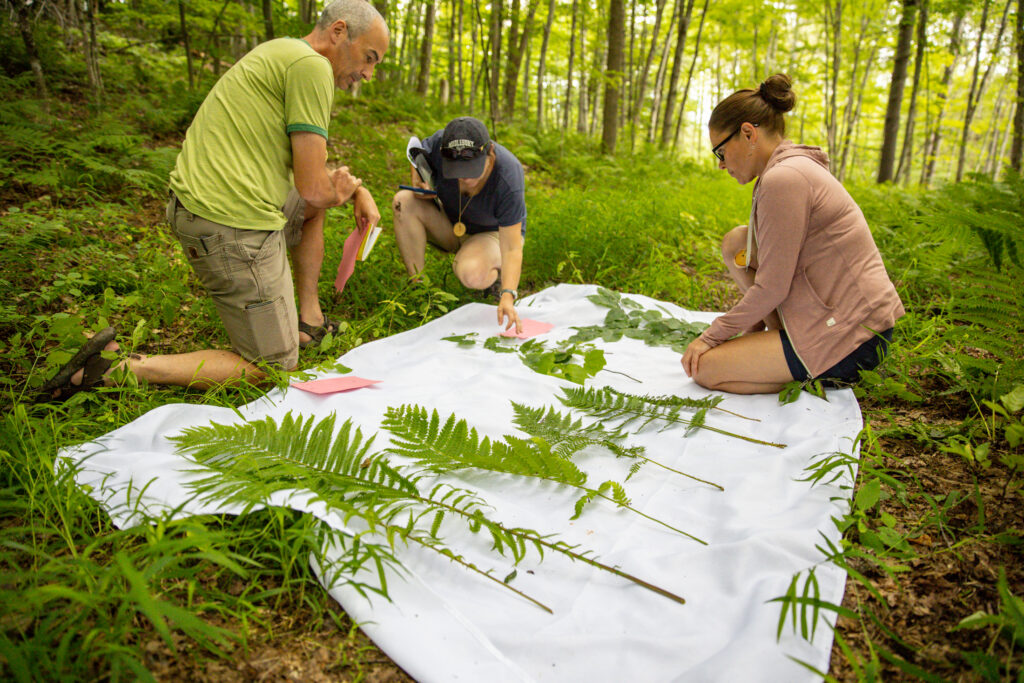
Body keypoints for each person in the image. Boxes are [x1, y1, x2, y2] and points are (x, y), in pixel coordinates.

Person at [40, 0, 390, 401]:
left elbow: (309, 180)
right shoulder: (311, 68)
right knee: (274, 365)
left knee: (312, 211)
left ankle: (308, 319)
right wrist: (340, 194)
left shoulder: (283, 51)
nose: (367, 73)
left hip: (198, 208)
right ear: (339, 32)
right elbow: (315, 188)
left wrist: (356, 190)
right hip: (230, 226)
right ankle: (117, 369)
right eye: (369, 58)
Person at [680, 74, 905, 395]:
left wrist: (711, 336)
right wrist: (745, 331)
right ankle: (774, 342)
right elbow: (774, 267)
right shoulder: (785, 170)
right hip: (840, 316)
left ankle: (804, 364)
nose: (720, 164)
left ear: (747, 133)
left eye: (720, 151)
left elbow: (772, 287)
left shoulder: (784, 179)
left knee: (705, 369)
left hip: (854, 337)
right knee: (736, 243)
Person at [392, 117, 526, 333]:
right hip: (452, 221)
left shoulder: (509, 175)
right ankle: (420, 290)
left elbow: (511, 247)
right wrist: (417, 175)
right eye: (457, 171)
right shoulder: (439, 143)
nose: (465, 178)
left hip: (493, 235)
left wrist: (508, 295)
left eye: (472, 169)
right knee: (403, 201)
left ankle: (493, 275)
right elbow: (416, 152)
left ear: (489, 153)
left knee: (471, 273)